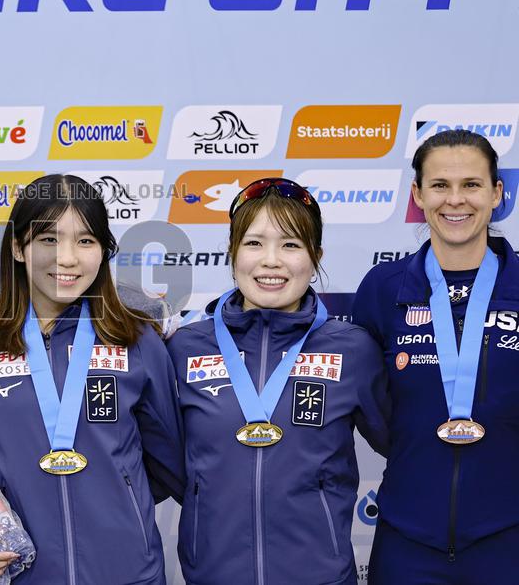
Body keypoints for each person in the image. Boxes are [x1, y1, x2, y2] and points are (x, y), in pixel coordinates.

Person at [0, 174, 184, 585]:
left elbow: (168, 462)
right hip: (22, 574)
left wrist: (116, 498)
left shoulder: (136, 340)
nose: (67, 258)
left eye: (85, 241)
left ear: (103, 251)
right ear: (17, 246)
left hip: (130, 574)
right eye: (48, 239)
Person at [166, 177, 389, 585]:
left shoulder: (352, 350)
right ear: (232, 253)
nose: (271, 260)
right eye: (254, 243)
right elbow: (159, 459)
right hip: (213, 575)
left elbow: (403, 447)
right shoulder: (185, 347)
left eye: (290, 244)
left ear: (316, 255)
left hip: (319, 575)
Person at [353, 130, 519, 583]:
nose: (455, 200)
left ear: (497, 193)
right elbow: (367, 405)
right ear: (418, 195)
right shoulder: (383, 289)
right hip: (408, 541)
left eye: (472, 184)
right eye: (440, 185)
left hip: (508, 540)